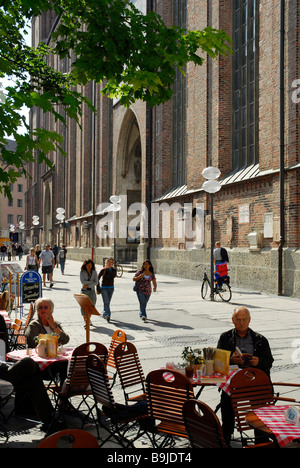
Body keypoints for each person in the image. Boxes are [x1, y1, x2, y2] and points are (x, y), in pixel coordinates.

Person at [216, 306, 274, 446]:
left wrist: (258, 361)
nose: (241, 323)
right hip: (234, 384)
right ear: (233, 320)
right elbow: (216, 363)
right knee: (226, 400)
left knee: (260, 405)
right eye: (238, 320)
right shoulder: (225, 338)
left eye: (244, 320)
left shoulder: (260, 339)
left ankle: (261, 440)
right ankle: (226, 435)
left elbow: (269, 361)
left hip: (255, 384)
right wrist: (231, 360)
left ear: (249, 320)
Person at [0, 313, 56, 431]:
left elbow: (4, 350)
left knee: (33, 380)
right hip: (2, 379)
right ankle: (49, 419)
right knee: (29, 363)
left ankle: (49, 421)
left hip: (3, 369)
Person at [25, 297, 70, 385]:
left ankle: (63, 390)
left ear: (51, 310)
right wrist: (53, 343)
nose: (43, 309)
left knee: (68, 362)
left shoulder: (55, 323)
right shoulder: (34, 325)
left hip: (55, 359)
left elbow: (66, 339)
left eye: (46, 307)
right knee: (64, 364)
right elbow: (33, 341)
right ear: (37, 310)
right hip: (40, 363)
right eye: (40, 307)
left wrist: (54, 327)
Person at [98, 257, 117, 323]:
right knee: (106, 302)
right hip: (104, 288)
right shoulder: (103, 270)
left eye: (111, 262)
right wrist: (98, 286)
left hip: (111, 288)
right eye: (108, 262)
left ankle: (104, 313)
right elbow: (98, 278)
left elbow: (113, 276)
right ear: (106, 263)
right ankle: (107, 315)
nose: (110, 263)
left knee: (107, 302)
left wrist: (108, 270)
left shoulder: (114, 270)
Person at [80, 259, 98, 325]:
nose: (89, 266)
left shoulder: (94, 272)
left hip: (92, 291)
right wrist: (91, 282)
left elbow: (96, 282)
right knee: (83, 307)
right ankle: (86, 322)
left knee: (92, 306)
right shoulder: (82, 272)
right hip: (84, 291)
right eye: (88, 265)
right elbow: (82, 281)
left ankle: (88, 319)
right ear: (85, 265)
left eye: (90, 265)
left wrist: (88, 285)